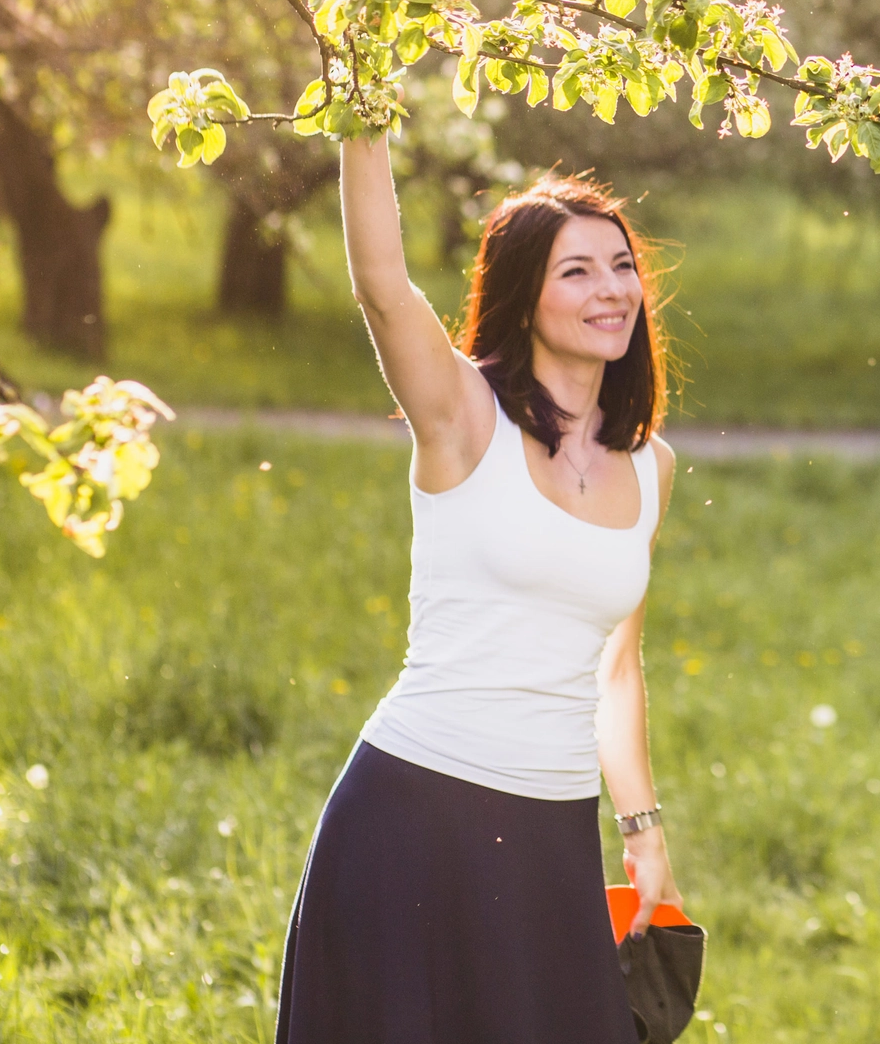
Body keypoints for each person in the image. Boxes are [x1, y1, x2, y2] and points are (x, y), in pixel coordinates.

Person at [274, 133, 681, 1044]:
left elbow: (616, 667)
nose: (611, 289)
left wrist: (643, 827)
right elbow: (383, 285)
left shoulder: (649, 467)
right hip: (415, 812)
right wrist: (362, 107)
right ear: (524, 294)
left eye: (622, 265)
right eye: (576, 271)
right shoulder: (463, 418)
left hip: (552, 839)